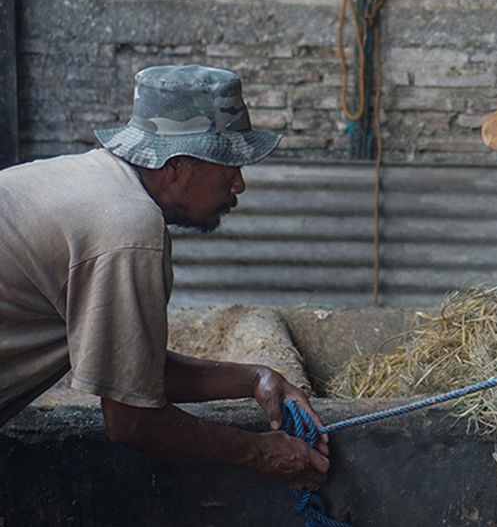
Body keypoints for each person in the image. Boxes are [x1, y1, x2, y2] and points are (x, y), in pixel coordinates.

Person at [0, 64, 329, 490]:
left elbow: (133, 372)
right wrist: (259, 452)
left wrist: (255, 379)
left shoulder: (89, 178)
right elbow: (131, 421)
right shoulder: (129, 229)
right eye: (228, 165)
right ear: (177, 166)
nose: (240, 184)